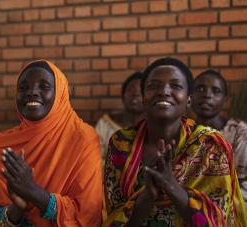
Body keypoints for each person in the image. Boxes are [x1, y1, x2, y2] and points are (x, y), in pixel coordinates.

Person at [103, 57, 246, 226]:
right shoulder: (121, 143)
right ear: (143, 97)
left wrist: (171, 186)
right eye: (153, 86)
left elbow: (219, 220)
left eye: (176, 86)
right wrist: (147, 197)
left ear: (188, 100)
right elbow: (114, 217)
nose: (164, 91)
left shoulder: (210, 146)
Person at [0, 60, 102, 226]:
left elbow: (88, 216)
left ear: (60, 94)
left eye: (44, 86)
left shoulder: (83, 137)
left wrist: (33, 192)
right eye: (23, 87)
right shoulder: (5, 141)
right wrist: (18, 207)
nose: (32, 92)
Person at [191, 69, 247, 208]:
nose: (207, 95)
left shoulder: (239, 132)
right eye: (200, 89)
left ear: (226, 100)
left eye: (216, 91)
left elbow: (242, 182)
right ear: (190, 96)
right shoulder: (183, 131)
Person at [95, 72, 144, 165]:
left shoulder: (154, 126)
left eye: (140, 91)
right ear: (123, 95)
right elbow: (95, 159)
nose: (135, 94)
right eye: (130, 90)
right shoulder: (105, 124)